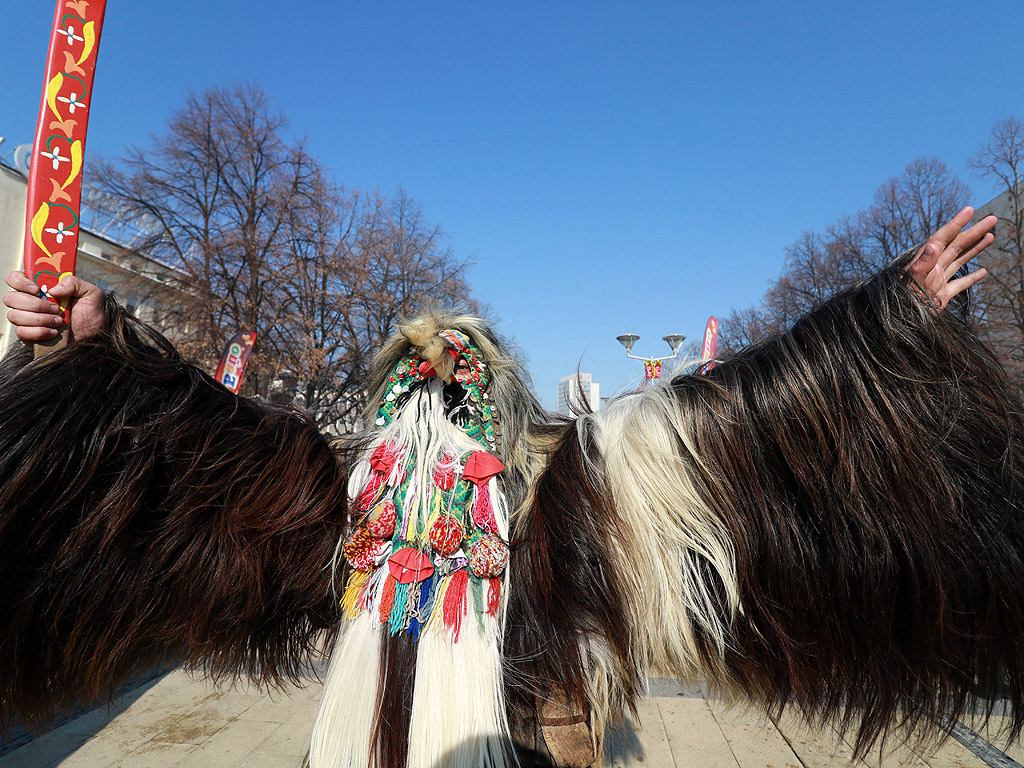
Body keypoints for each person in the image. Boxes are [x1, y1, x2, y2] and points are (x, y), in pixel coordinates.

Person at [1, 208, 1022, 768]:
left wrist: (880, 322)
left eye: (456, 374)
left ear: (495, 391)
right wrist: (106, 350)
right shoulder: (345, 499)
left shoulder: (572, 487)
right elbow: (198, 440)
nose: (437, 390)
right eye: (421, 376)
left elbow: (744, 422)